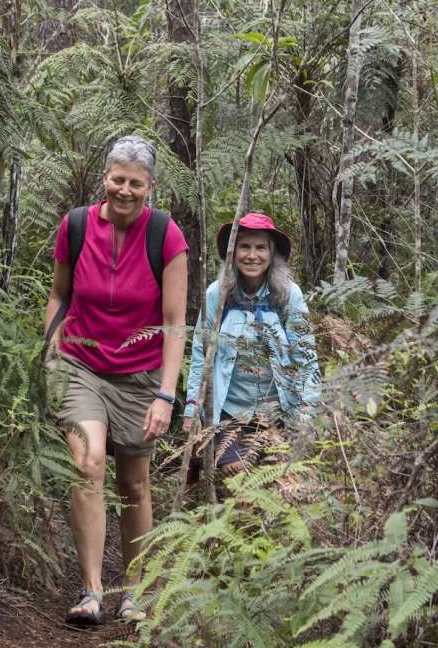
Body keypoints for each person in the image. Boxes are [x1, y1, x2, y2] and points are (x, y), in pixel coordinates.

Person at [44, 135, 188, 625]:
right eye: (117, 179)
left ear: (151, 187)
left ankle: (135, 592)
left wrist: (166, 395)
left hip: (142, 373)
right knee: (89, 463)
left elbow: (173, 323)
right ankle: (90, 591)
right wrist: (50, 352)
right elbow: (59, 295)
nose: (125, 190)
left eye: (136, 183)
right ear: (104, 178)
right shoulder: (77, 225)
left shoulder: (165, 235)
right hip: (80, 363)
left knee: (136, 483)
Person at [183, 212, 319, 475]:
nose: (252, 255)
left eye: (260, 247)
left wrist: (306, 415)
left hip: (279, 412)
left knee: (276, 483)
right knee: (236, 474)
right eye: (244, 246)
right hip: (229, 411)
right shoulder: (216, 294)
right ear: (233, 252)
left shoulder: (289, 295)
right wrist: (193, 408)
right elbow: (201, 355)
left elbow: (306, 358)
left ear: (272, 254)